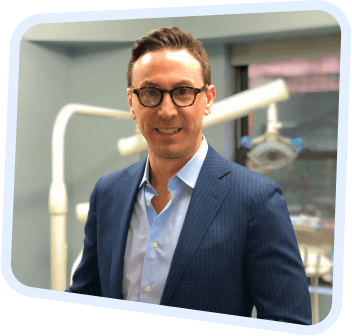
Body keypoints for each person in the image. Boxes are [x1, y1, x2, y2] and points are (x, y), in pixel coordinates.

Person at [66, 27, 312, 324]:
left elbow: (289, 323)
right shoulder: (108, 193)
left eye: (183, 91)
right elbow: (85, 294)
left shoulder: (255, 200)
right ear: (132, 102)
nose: (166, 111)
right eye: (150, 93)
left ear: (208, 99)